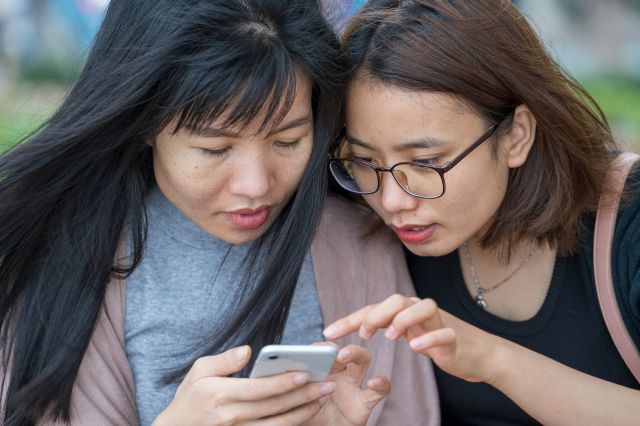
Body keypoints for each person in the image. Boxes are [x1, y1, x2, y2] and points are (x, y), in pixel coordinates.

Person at [0, 1, 441, 425]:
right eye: (215, 148)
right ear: (145, 124)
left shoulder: (359, 243)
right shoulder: (66, 260)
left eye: (287, 141)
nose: (256, 185)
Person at [323, 0, 640, 424]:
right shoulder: (366, 229)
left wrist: (494, 360)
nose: (393, 201)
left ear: (517, 135)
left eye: (426, 163)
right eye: (364, 161)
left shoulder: (629, 221)